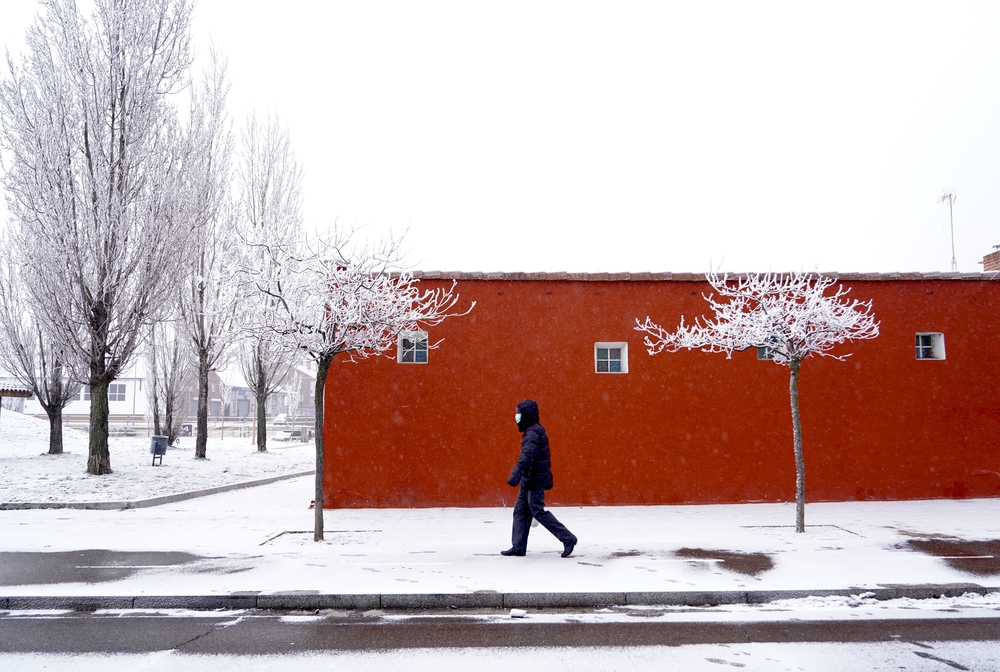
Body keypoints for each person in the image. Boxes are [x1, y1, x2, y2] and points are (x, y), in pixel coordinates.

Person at [501, 399, 578, 558]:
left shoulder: (533, 433)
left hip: (535, 480)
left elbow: (527, 456)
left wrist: (515, 475)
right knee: (520, 512)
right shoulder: (532, 430)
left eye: (519, 415)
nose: (517, 418)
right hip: (529, 479)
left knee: (538, 512)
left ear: (527, 415)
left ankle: (568, 538)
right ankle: (518, 547)